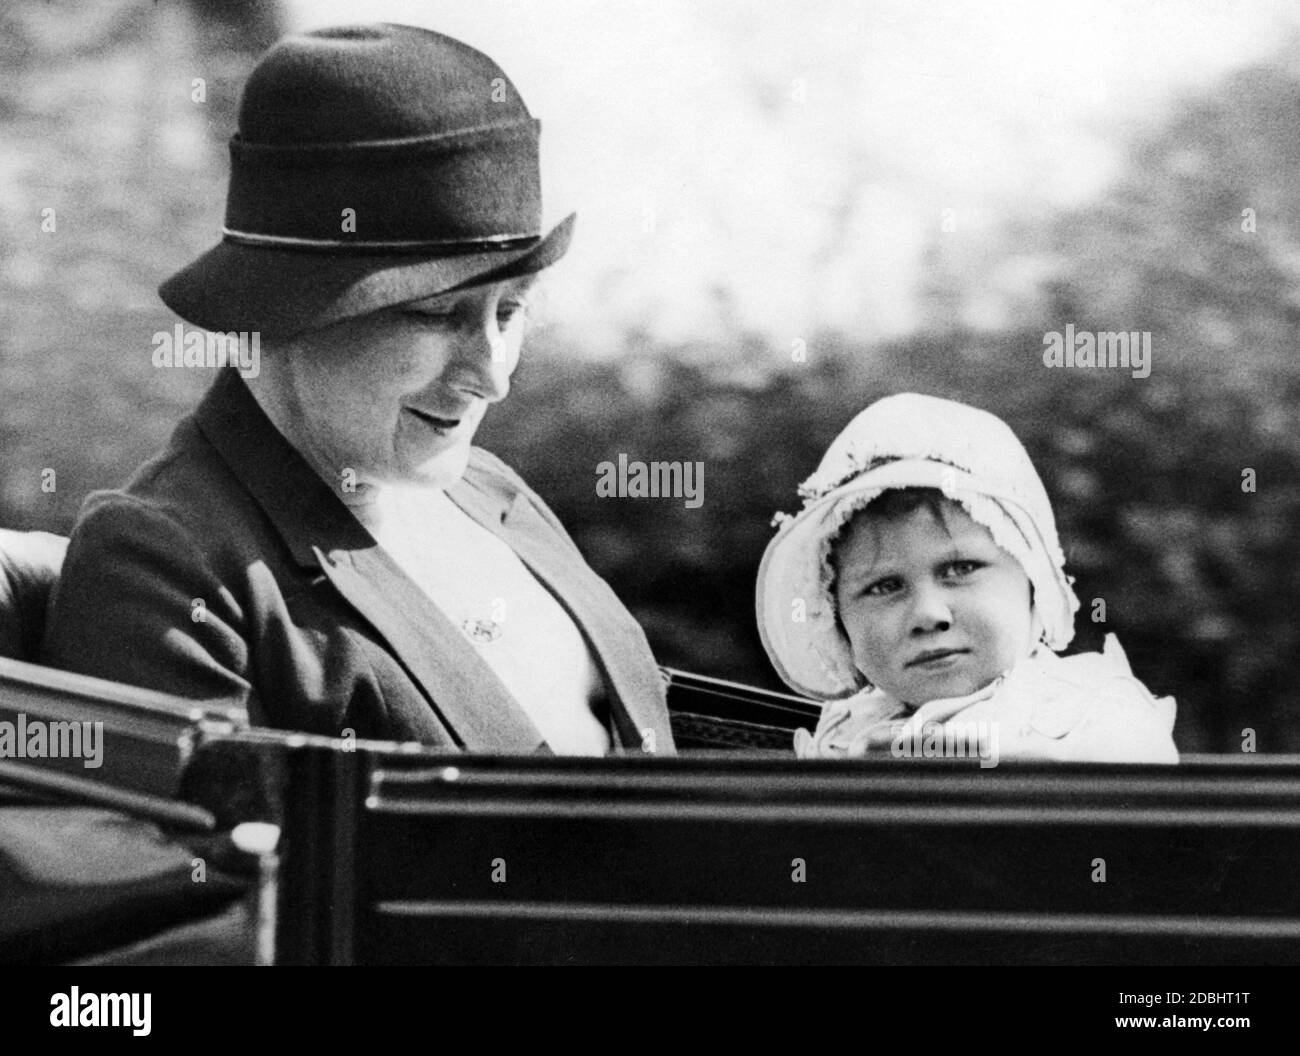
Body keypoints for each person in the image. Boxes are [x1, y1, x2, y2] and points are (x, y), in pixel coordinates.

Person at [41, 24, 673, 756]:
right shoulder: (169, 562)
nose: (492, 374)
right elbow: (177, 864)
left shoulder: (492, 494)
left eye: (512, 309)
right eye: (438, 314)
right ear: (285, 309)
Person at [755, 393, 1177, 763]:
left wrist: (953, 763)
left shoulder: (1084, 709)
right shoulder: (849, 729)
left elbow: (1134, 761)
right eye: (884, 586)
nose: (928, 614)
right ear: (838, 621)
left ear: (1031, 584)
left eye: (960, 569)